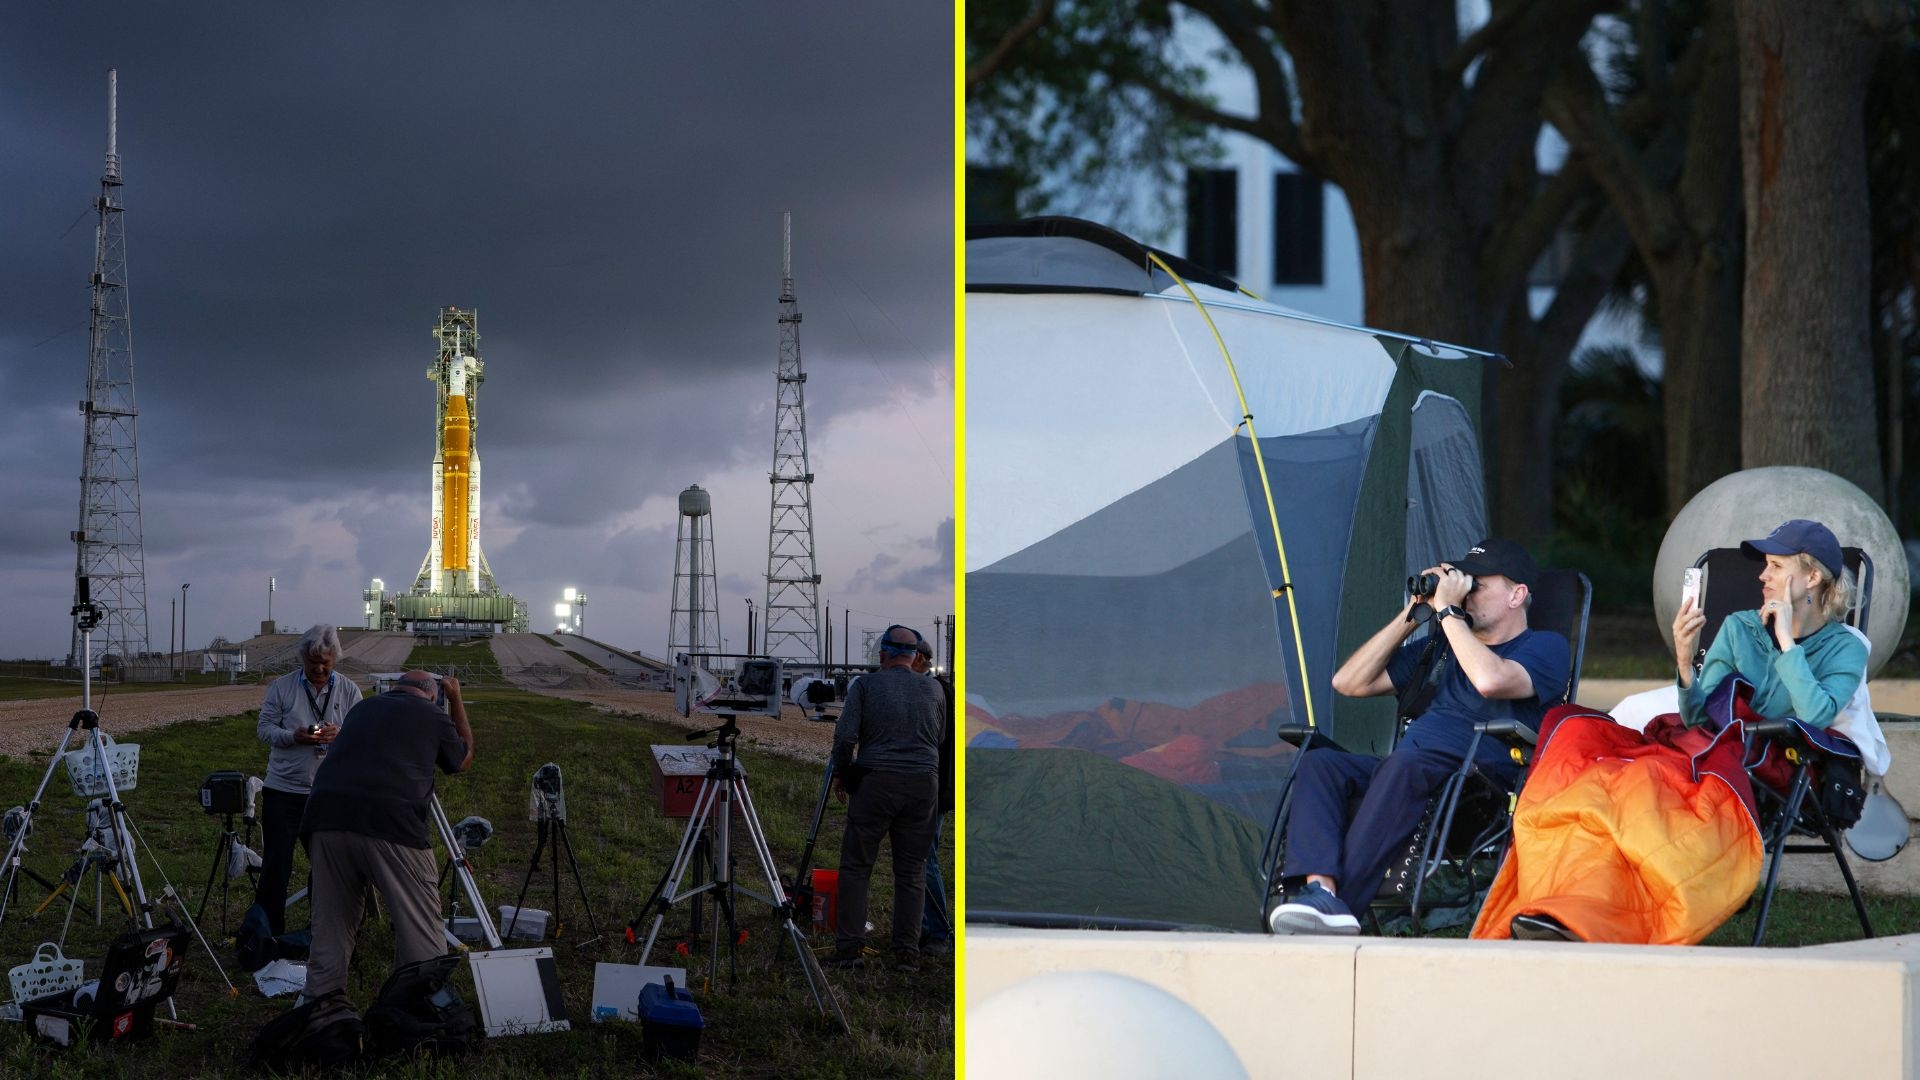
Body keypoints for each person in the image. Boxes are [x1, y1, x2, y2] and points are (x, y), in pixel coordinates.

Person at [1473, 518, 1875, 944]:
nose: (1763, 575)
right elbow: (1700, 719)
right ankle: (1564, 907)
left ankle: (1598, 918)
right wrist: (1685, 663)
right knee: (1597, 773)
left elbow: (1816, 713)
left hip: (1769, 771)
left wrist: (1787, 643)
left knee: (1642, 785)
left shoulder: (1845, 646)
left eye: (1776, 565)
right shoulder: (1740, 628)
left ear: (1812, 576)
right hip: (1709, 751)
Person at [1267, 538, 1570, 935]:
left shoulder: (1545, 647)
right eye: (1463, 580)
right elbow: (1349, 682)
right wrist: (1413, 613)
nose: (1465, 590)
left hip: (1474, 786)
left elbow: (1490, 679)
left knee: (1406, 765)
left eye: (1478, 584)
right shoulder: (1442, 646)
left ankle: (1342, 908)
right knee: (1321, 763)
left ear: (1517, 595)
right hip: (1410, 770)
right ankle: (1319, 892)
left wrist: (1448, 612)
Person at [298, 670, 473, 1003]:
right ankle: (414, 1009)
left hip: (324, 819)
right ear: (432, 694)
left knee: (330, 927)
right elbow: (461, 760)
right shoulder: (432, 712)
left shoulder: (362, 709)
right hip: (392, 825)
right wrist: (456, 699)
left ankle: (320, 1009)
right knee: (420, 929)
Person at [826, 625, 944, 971]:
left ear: (882, 654)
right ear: (914, 656)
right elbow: (937, 737)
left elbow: (846, 736)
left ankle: (849, 948)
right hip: (923, 784)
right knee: (912, 871)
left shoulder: (866, 685)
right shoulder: (935, 690)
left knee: (857, 867)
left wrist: (842, 774)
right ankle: (907, 952)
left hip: (876, 782)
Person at [254, 624, 362, 935]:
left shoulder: (349, 691)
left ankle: (322, 932)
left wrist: (339, 733)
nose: (318, 669)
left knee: (327, 868)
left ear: (335, 660)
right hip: (283, 790)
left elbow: (359, 735)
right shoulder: (281, 688)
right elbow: (264, 730)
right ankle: (269, 933)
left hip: (328, 792)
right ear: (302, 658)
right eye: (312, 662)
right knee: (276, 865)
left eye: (325, 663)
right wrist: (293, 736)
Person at [912, 638, 955, 954]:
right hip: (931, 789)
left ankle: (939, 933)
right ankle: (924, 928)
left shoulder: (933, 693)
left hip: (932, 791)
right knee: (920, 859)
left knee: (925, 860)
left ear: (918, 659)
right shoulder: (936, 690)